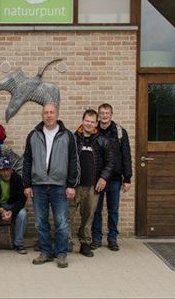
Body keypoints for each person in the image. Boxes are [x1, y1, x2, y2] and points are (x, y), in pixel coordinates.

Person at [22, 103, 79, 269]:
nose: (48, 115)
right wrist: (27, 184)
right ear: (42, 115)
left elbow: (74, 161)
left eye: (51, 112)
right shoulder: (33, 135)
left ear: (57, 114)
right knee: (40, 222)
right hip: (38, 185)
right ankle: (45, 252)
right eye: (46, 112)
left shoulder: (67, 135)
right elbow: (27, 161)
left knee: (61, 221)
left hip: (59, 186)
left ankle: (61, 254)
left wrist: (71, 185)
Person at [69, 109, 113, 258]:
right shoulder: (72, 138)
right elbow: (66, 160)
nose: (89, 124)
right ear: (82, 121)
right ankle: (65, 242)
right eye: (87, 121)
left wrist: (103, 178)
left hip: (92, 187)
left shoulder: (102, 140)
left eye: (92, 121)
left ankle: (85, 244)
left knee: (88, 217)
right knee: (67, 214)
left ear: (96, 123)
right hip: (74, 185)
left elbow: (110, 162)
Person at [92, 103, 133, 251]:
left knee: (113, 210)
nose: (104, 115)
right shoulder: (93, 131)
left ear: (111, 114)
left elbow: (126, 156)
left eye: (107, 113)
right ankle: (96, 238)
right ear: (98, 115)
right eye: (102, 113)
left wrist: (127, 178)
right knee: (96, 210)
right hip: (97, 178)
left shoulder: (120, 132)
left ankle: (112, 239)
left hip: (115, 178)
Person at [0, 156, 28, 255]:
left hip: (12, 206)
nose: (6, 173)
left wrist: (12, 211)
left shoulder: (17, 179)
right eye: (2, 170)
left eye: (7, 169)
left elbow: (21, 199)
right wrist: (1, 210)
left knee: (22, 214)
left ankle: (19, 244)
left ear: (11, 170)